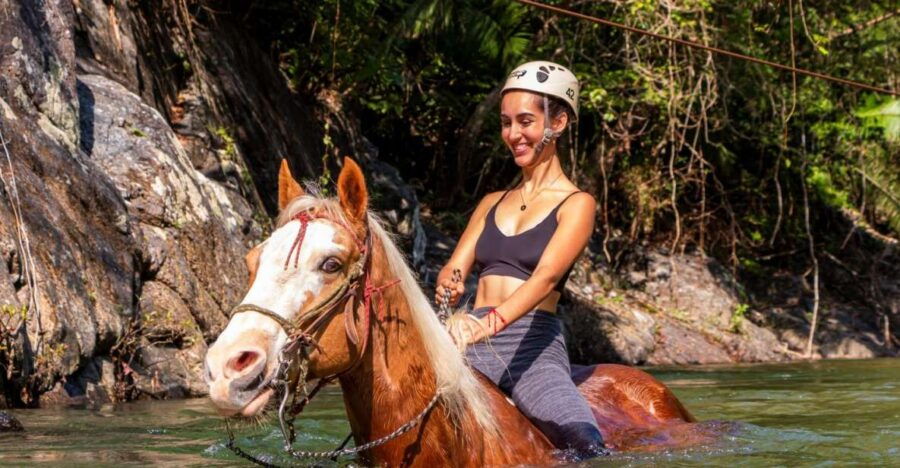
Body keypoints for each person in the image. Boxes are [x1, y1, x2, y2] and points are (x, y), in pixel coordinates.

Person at [435, 61, 606, 459]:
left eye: (525, 121)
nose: (513, 134)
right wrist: (450, 281)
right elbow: (455, 265)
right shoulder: (491, 202)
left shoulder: (577, 204)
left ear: (558, 123)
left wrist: (486, 327)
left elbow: (545, 279)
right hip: (468, 337)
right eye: (506, 122)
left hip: (532, 346)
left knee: (585, 444)